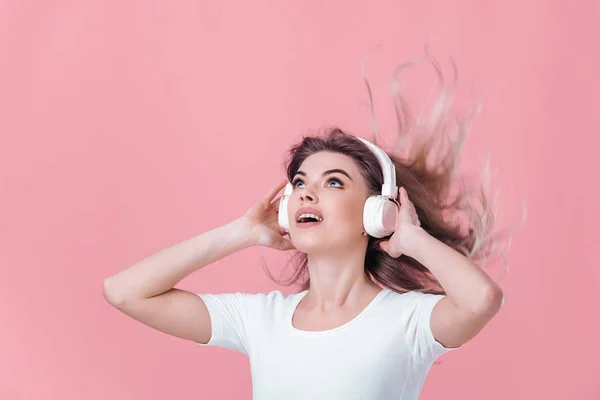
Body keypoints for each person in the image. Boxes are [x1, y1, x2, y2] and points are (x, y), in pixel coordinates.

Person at [103, 53, 512, 399]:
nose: (305, 193)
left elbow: (482, 299)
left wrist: (412, 239)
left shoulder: (407, 321)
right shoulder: (260, 320)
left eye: (333, 182)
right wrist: (242, 232)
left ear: (377, 212)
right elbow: (124, 291)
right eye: (299, 183)